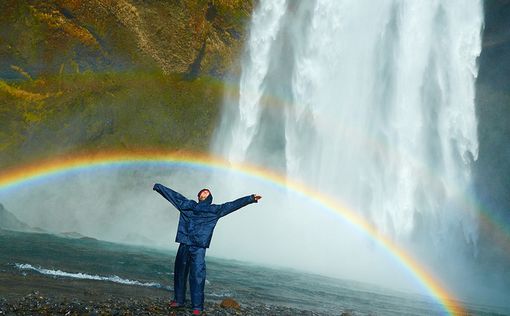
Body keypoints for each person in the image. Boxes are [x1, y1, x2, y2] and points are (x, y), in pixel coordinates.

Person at [153, 183, 262, 315]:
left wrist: (250, 198)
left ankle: (197, 307)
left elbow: (232, 205)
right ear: (198, 196)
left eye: (207, 192)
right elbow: (174, 196)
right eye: (202, 192)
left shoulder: (215, 210)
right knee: (180, 273)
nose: (204, 193)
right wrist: (159, 187)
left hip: (199, 247)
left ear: (210, 197)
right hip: (184, 244)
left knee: (197, 276)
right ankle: (179, 300)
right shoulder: (188, 205)